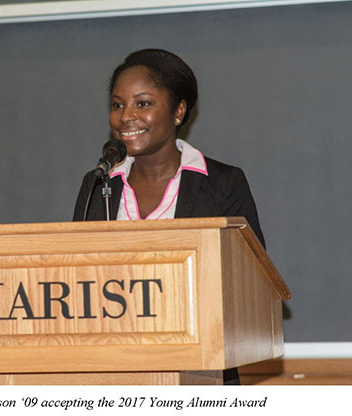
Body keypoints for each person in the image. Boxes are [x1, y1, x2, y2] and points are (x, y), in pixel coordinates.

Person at [73, 49, 265, 384]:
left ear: (178, 111)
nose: (126, 117)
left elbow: (252, 284)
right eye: (118, 105)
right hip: (110, 371)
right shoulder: (98, 184)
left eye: (143, 103)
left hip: (200, 370)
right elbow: (75, 279)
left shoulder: (221, 183)